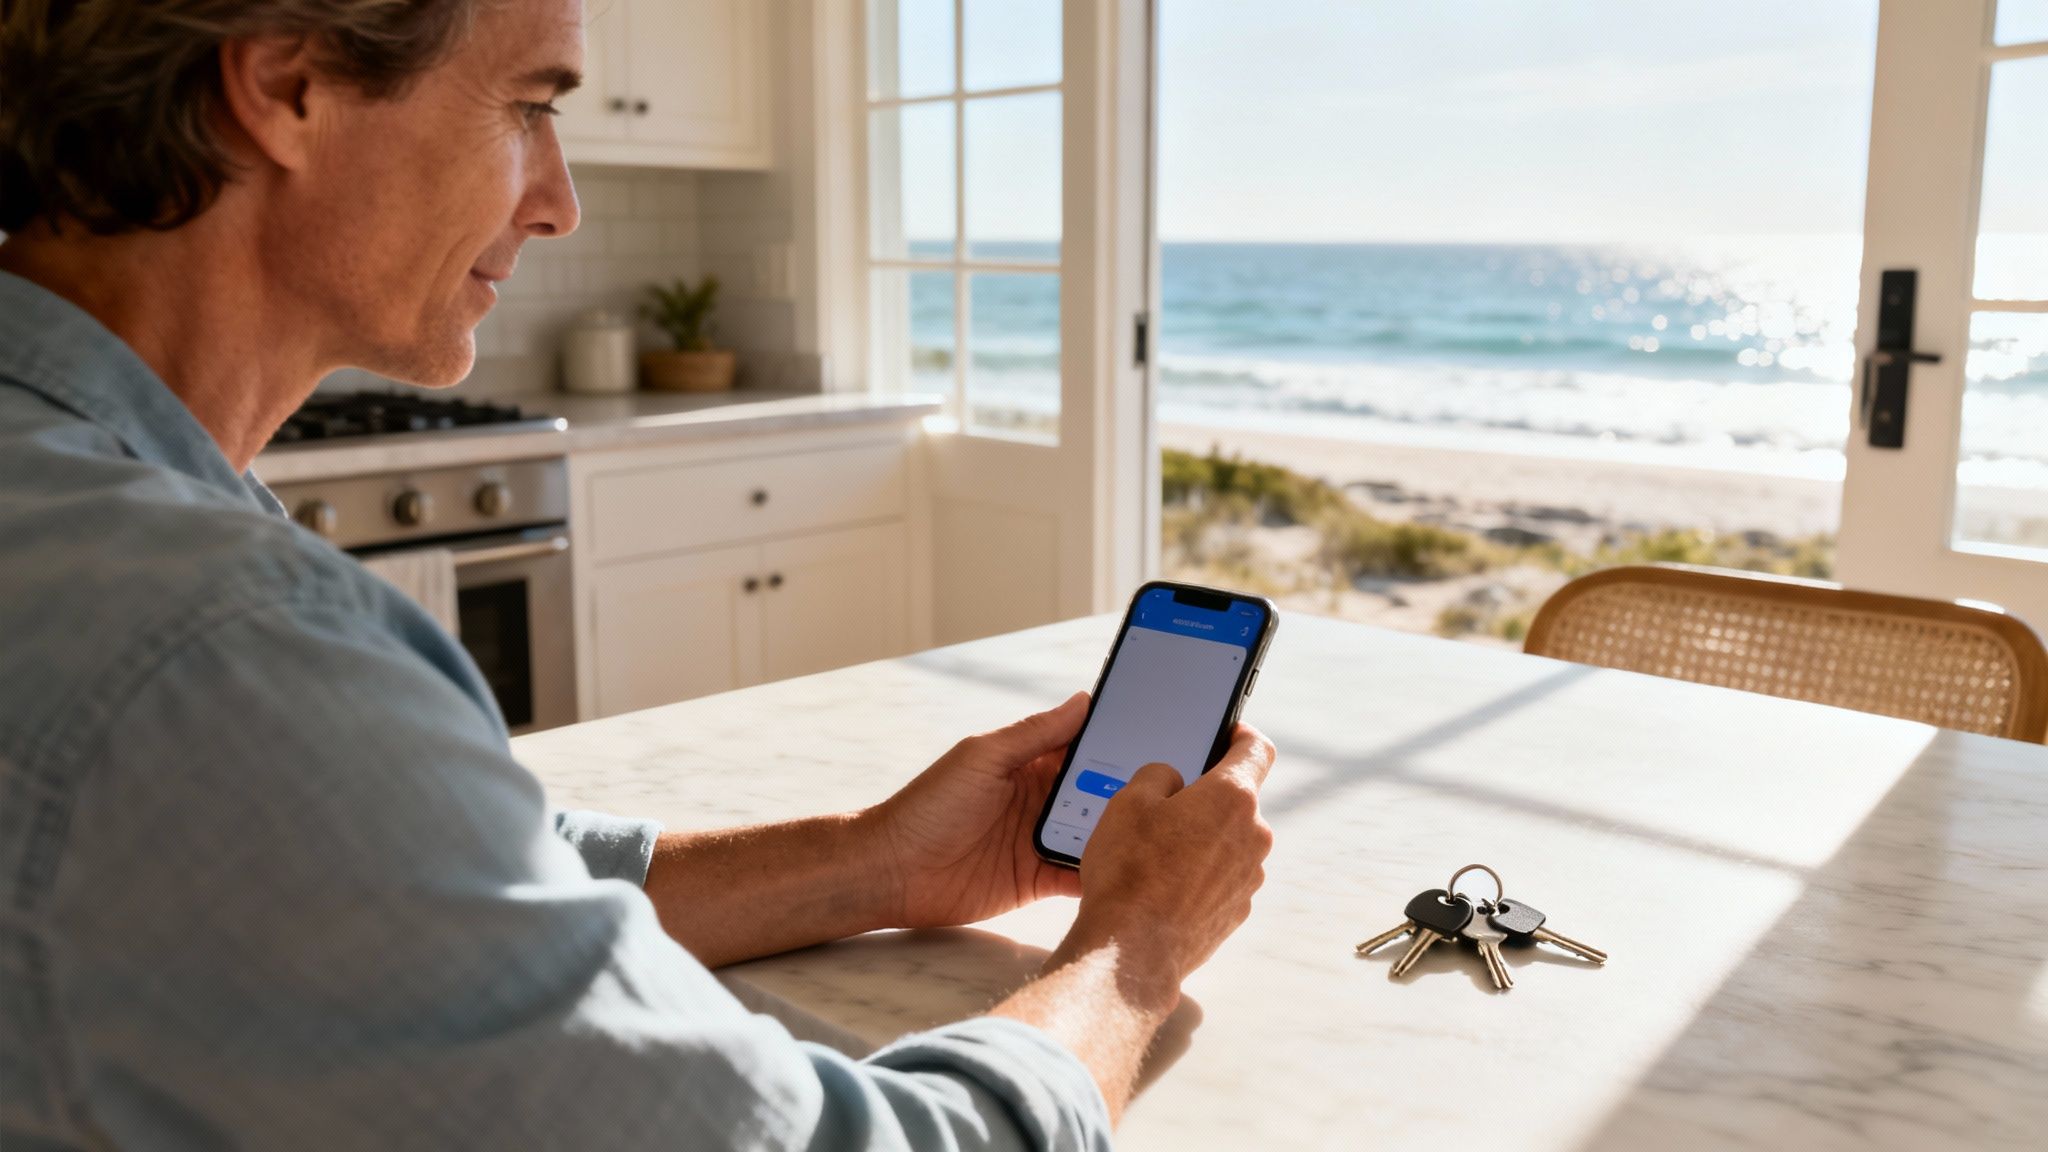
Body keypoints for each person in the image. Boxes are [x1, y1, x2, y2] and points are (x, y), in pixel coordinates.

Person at [0, 1, 1277, 1148]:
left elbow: (428, 874)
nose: (559, 201)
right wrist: (1135, 949)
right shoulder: (217, 652)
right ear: (287, 90)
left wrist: (874, 862)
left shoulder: (87, 516)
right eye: (530, 106)